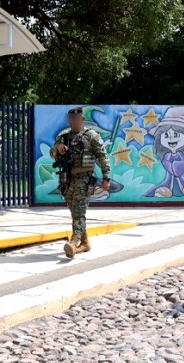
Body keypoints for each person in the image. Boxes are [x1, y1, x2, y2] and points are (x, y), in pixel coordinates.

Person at [50, 107, 111, 259]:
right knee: (75, 212)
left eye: (75, 118)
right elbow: (52, 154)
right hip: (66, 179)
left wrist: (106, 177)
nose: (72, 122)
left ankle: (74, 242)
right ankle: (85, 243)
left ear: (82, 119)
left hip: (84, 179)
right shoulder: (63, 137)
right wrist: (58, 148)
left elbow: (102, 156)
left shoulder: (92, 136)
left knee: (79, 213)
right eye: (70, 119)